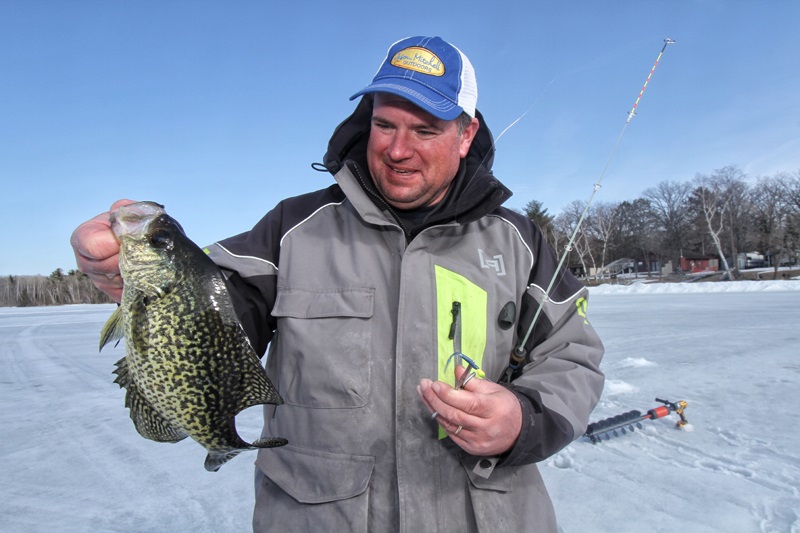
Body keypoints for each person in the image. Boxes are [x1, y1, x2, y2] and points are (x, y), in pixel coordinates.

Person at [72, 36, 604, 532]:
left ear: (465, 136)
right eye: (385, 125)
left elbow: (571, 356)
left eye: (424, 131)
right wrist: (129, 276)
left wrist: (522, 420)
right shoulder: (290, 229)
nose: (398, 150)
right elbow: (215, 305)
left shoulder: (520, 241)